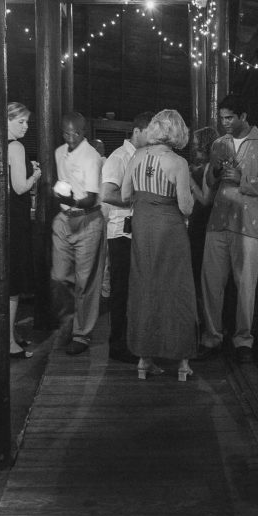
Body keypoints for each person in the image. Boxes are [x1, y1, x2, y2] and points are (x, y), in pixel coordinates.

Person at [197, 93, 258, 365]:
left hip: (249, 222)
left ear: (243, 116)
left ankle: (243, 340)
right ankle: (212, 337)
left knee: (245, 285)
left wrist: (244, 180)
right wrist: (215, 171)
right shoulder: (219, 144)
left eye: (229, 117)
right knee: (211, 283)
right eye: (221, 118)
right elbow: (209, 180)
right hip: (218, 219)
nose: (225, 122)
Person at [121, 110, 196, 381]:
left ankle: (143, 359)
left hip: (142, 226)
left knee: (145, 287)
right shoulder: (178, 163)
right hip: (170, 229)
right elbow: (186, 207)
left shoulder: (137, 156)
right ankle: (183, 362)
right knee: (177, 289)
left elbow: (125, 194)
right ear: (178, 132)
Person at [51, 111, 107, 356]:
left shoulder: (92, 156)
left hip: (88, 219)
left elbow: (92, 198)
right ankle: (68, 323)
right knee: (59, 276)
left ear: (84, 132)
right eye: (66, 132)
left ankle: (81, 334)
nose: (71, 137)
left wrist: (67, 197)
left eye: (75, 132)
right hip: (64, 219)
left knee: (86, 281)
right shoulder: (58, 153)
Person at [100, 111, 153, 364]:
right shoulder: (119, 157)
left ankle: (131, 341)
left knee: (134, 289)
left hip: (137, 230)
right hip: (121, 230)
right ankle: (118, 344)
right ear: (138, 131)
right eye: (151, 133)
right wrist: (139, 198)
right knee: (121, 290)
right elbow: (107, 193)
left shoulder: (143, 157)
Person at [7, 102, 41, 359]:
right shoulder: (15, 147)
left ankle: (7, 336)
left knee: (6, 281)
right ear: (7, 121)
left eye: (27, 122)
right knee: (13, 283)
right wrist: (35, 175)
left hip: (2, 216)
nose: (26, 127)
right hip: (15, 217)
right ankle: (9, 343)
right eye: (21, 122)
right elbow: (19, 187)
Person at [188, 126, 220, 296]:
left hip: (202, 221)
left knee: (198, 264)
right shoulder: (205, 165)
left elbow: (206, 200)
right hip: (198, 218)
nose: (193, 144)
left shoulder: (209, 167)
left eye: (196, 141)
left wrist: (190, 181)